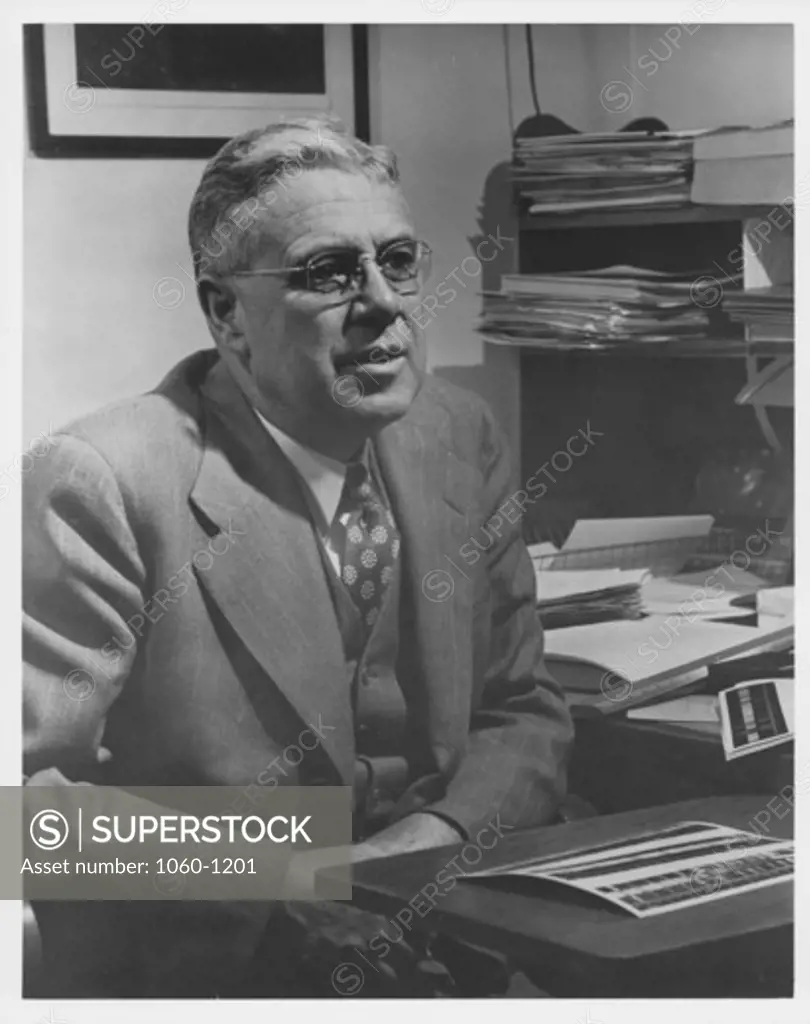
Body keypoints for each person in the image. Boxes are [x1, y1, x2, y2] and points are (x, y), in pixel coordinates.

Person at [22, 116, 573, 997]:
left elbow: (524, 711)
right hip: (208, 972)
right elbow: (25, 807)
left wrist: (425, 846)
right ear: (225, 313)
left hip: (451, 944)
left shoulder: (457, 433)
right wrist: (297, 879)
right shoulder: (102, 479)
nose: (384, 304)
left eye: (397, 261)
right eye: (327, 273)